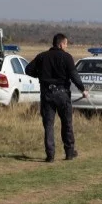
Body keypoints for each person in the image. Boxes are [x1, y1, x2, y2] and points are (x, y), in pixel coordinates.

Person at [25, 33, 89, 162]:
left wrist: (41, 75)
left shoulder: (42, 57)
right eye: (66, 44)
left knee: (48, 125)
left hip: (46, 94)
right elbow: (74, 75)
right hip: (62, 94)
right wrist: (83, 89)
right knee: (67, 123)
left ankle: (50, 155)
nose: (67, 46)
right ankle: (69, 153)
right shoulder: (67, 58)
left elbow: (28, 70)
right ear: (60, 44)